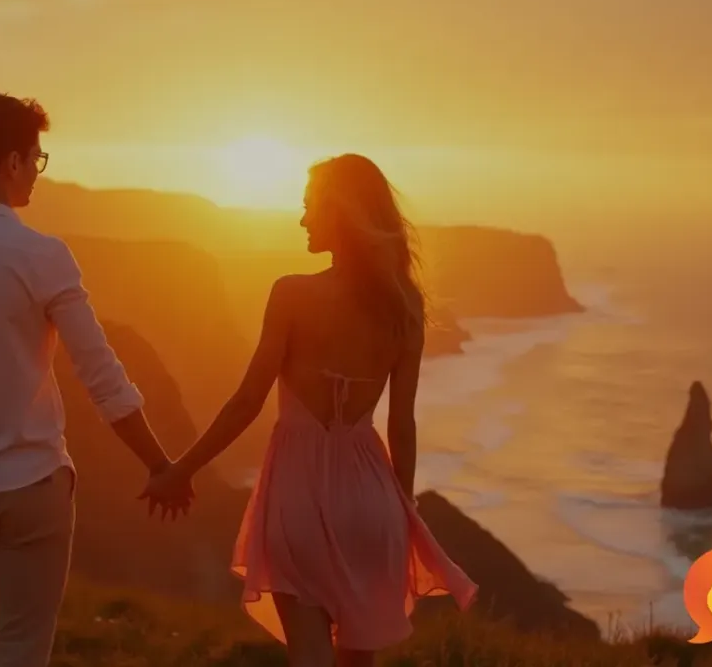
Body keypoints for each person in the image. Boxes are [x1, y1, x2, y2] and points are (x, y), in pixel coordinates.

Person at [0, 91, 192, 667]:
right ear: (11, 163)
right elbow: (102, 375)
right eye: (37, 158)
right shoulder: (42, 255)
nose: (39, 173)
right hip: (31, 487)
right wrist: (158, 464)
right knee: (23, 649)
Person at [142, 154, 478, 667]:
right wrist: (403, 510)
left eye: (308, 208)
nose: (302, 220)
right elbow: (402, 423)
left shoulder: (292, 294)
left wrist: (179, 470)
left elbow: (246, 403)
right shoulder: (404, 307)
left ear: (338, 213)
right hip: (372, 504)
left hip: (299, 496)